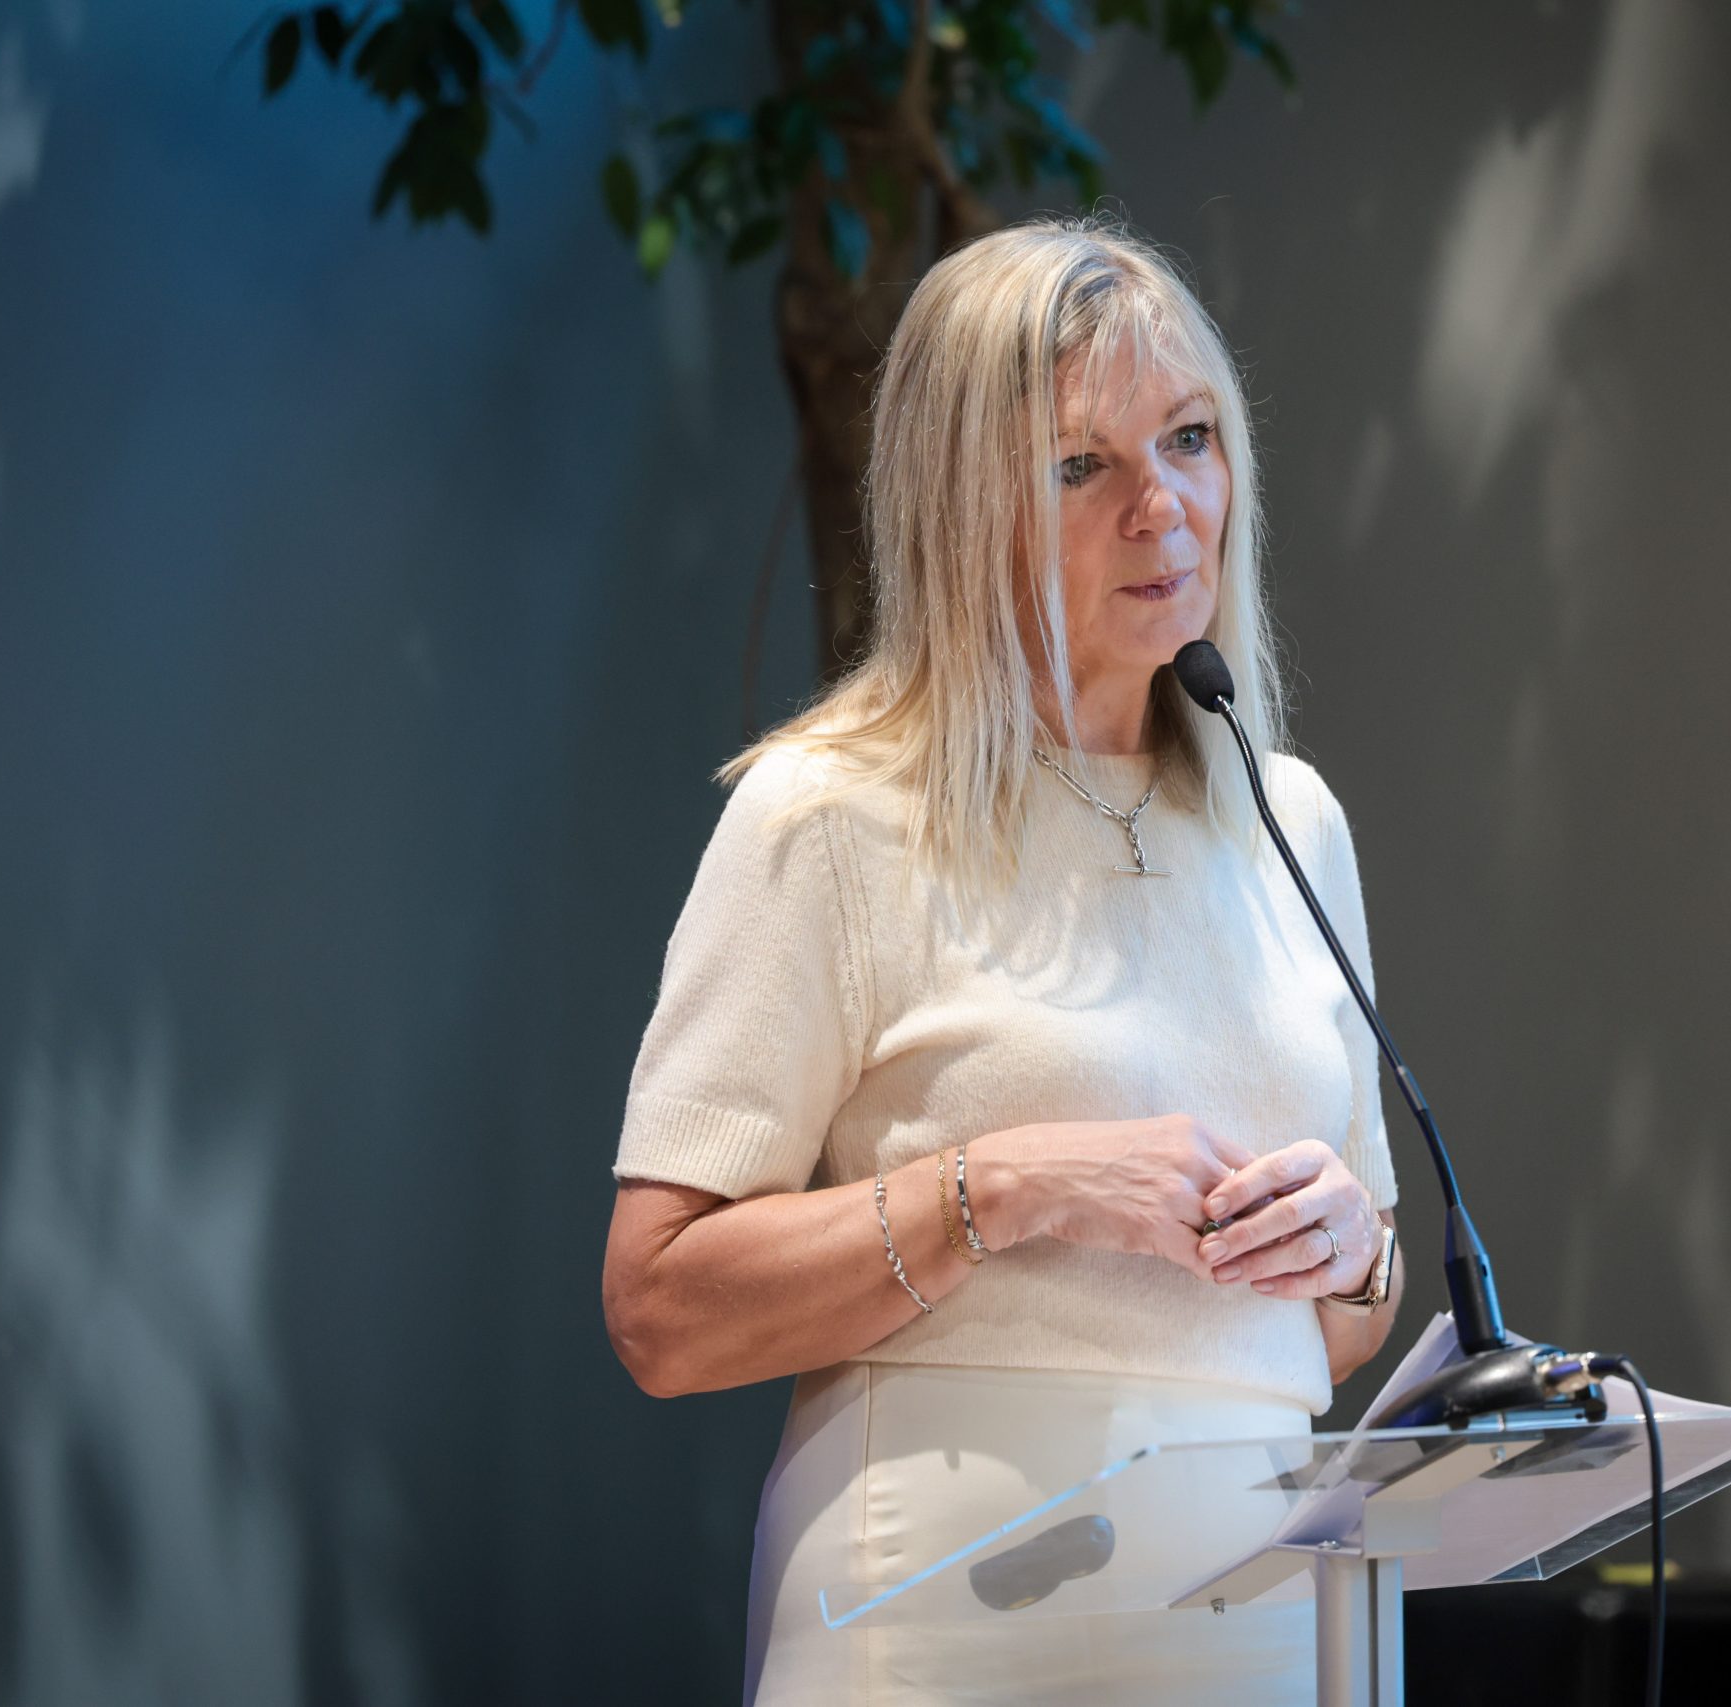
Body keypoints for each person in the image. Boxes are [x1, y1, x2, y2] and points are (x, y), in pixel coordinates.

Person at [601, 212, 1404, 1705]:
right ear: (963, 511)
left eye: (1188, 438)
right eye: (1078, 467)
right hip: (949, 1616)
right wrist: (1008, 1189)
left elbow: (1346, 1329)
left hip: (1281, 1621)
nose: (1164, 508)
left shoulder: (1290, 823)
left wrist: (1354, 1250)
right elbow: (661, 1305)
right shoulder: (833, 815)